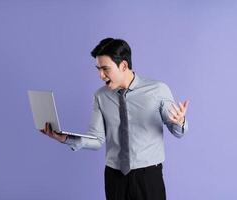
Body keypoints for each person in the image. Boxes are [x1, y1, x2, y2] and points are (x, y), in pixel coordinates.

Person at [40, 38, 189, 200]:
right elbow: (96, 139)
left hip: (147, 176)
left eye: (105, 69)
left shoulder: (158, 90)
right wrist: (65, 138)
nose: (100, 75)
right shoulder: (100, 96)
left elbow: (178, 131)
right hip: (114, 177)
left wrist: (179, 121)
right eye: (98, 69)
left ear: (123, 66)